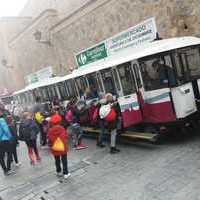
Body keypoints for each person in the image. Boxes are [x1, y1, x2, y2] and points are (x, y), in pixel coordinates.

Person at [48, 113, 71, 179]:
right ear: (59, 121)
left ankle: (58, 171)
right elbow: (65, 137)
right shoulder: (62, 128)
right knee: (64, 160)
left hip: (55, 147)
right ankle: (66, 173)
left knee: (57, 160)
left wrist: (50, 146)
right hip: (62, 147)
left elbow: (49, 140)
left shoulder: (50, 130)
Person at [0, 110, 14, 175]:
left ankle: (5, 170)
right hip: (4, 139)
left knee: (1, 157)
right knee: (9, 153)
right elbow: (6, 129)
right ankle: (8, 169)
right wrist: (10, 137)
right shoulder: (1, 120)